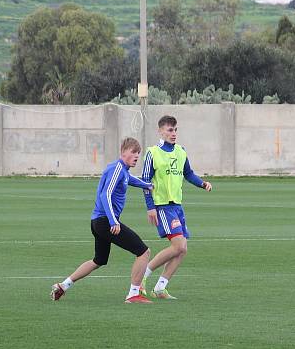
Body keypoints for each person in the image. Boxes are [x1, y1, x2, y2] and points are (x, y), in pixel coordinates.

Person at [51, 137, 153, 304]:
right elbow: (105, 194)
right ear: (123, 152)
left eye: (138, 153)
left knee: (99, 260)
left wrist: (147, 185)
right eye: (133, 152)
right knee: (143, 252)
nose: (136, 156)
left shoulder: (122, 171)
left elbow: (130, 180)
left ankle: (63, 285)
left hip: (97, 222)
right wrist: (114, 221)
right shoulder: (117, 169)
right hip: (106, 222)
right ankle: (133, 294)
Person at [139, 115, 213, 299]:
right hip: (162, 206)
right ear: (161, 131)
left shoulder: (181, 151)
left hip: (177, 206)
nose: (173, 133)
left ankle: (160, 288)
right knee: (178, 245)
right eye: (170, 130)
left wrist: (202, 183)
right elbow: (145, 181)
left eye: (175, 130)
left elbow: (188, 173)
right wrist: (150, 206)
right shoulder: (153, 153)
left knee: (183, 249)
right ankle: (142, 276)